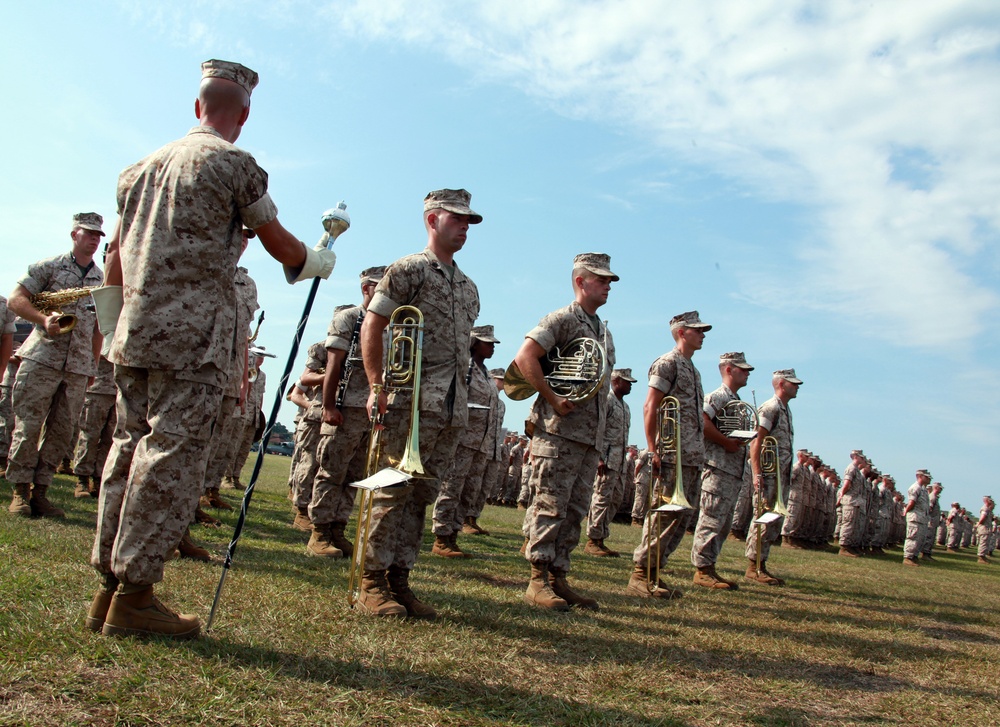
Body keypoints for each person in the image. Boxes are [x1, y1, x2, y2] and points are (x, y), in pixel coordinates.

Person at [88, 59, 336, 640]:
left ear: (197, 106)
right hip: (193, 340)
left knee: (125, 451)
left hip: (134, 334)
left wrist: (113, 327)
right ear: (242, 115)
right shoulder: (235, 165)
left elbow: (117, 255)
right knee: (167, 460)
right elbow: (279, 245)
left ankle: (107, 588)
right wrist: (312, 262)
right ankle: (136, 595)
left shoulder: (137, 170)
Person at [356, 188, 482, 619]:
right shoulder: (408, 270)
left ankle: (398, 578)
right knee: (391, 490)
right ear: (432, 220)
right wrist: (377, 385)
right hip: (408, 400)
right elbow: (373, 325)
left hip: (448, 408)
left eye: (469, 221)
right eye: (457, 219)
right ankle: (370, 582)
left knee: (420, 496)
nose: (465, 227)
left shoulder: (469, 287)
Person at [515, 252, 617, 611]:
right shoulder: (562, 319)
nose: (607, 286)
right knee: (550, 505)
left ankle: (558, 576)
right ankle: (537, 579)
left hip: (588, 438)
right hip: (558, 432)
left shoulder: (602, 331)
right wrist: (553, 397)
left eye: (609, 281)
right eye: (601, 279)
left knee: (574, 510)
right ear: (580, 281)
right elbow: (524, 357)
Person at [6, 212, 104, 517]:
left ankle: (42, 492)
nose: (94, 239)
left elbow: (99, 326)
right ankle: (20, 491)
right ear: (74, 234)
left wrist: (92, 365)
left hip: (77, 367)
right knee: (29, 426)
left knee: (62, 432)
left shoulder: (100, 279)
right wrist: (41, 319)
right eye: (88, 233)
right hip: (42, 359)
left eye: (98, 235)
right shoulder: (48, 266)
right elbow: (15, 300)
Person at [628, 311, 710, 600]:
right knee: (663, 516)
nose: (703, 335)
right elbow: (650, 406)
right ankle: (641, 574)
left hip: (690, 456)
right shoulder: (668, 363)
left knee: (680, 518)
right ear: (682, 332)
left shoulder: (693, 369)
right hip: (671, 453)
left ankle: (654, 572)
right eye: (698, 330)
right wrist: (652, 449)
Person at [307, 266, 387, 558]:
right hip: (345, 408)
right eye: (379, 288)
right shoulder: (349, 318)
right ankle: (319, 532)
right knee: (331, 471)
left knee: (355, 474)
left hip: (370, 414)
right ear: (366, 288)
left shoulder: (387, 325)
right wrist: (328, 406)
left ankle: (338, 528)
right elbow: (333, 366)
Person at [431, 324, 501, 558]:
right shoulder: (465, 368)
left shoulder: (487, 373)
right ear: (474, 343)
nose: (492, 347)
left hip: (481, 443)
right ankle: (441, 537)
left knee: (469, 492)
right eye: (487, 342)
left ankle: (454, 534)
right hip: (462, 440)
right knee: (452, 487)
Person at [690, 352, 754, 590]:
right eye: (742, 369)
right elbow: (703, 421)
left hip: (731, 470)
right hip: (717, 468)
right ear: (728, 369)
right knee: (711, 519)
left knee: (723, 523)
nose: (747, 373)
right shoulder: (719, 396)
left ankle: (710, 567)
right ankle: (702, 569)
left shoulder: (735, 399)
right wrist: (726, 442)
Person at [745, 369, 801, 585]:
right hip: (768, 475)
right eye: (793, 383)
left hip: (779, 475)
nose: (797, 387)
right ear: (780, 384)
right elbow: (757, 441)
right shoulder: (770, 408)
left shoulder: (785, 410)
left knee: (773, 520)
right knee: (763, 518)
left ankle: (761, 563)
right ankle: (753, 565)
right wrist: (757, 473)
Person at [584, 367, 635, 557]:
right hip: (606, 459)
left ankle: (601, 537)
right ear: (616, 381)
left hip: (619, 461)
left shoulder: (625, 406)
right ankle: (592, 539)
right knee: (601, 498)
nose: (630, 385)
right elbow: (596, 429)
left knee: (615, 500)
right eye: (627, 381)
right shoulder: (607, 401)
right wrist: (597, 457)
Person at [837, 450, 869, 557]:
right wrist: (841, 495)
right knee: (848, 523)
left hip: (856, 502)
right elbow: (847, 484)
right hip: (850, 501)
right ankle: (844, 547)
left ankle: (850, 546)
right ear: (855, 456)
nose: (863, 459)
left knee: (854, 526)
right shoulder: (851, 468)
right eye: (861, 457)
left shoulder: (856, 470)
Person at [901, 468, 931, 566]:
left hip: (921, 518)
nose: (929, 479)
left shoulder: (923, 489)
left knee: (919, 538)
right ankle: (908, 557)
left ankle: (914, 556)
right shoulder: (915, 487)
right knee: (912, 537)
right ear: (919, 476)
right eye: (926, 477)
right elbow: (912, 502)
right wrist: (906, 511)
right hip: (915, 517)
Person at [976, 496, 994, 564]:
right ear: (986, 500)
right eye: (990, 500)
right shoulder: (985, 509)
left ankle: (983, 557)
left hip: (986, 528)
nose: (992, 502)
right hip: (984, 528)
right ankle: (981, 558)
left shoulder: (988, 509)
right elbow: (982, 518)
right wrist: (979, 524)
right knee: (983, 543)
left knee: (985, 543)